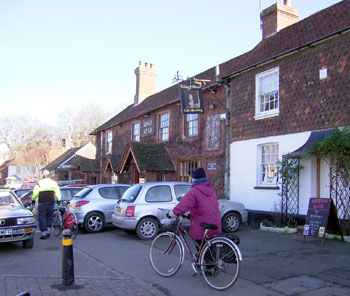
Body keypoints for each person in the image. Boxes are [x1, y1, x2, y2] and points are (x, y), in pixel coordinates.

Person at [169, 167, 222, 245]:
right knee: (209, 250)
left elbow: (183, 205)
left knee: (201, 248)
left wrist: (172, 213)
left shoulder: (194, 191)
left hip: (202, 226)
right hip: (215, 223)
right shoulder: (211, 190)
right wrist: (191, 214)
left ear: (195, 179)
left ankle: (202, 257)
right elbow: (206, 206)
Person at [31, 169, 61, 239]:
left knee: (42, 218)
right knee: (49, 217)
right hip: (51, 203)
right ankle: (48, 231)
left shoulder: (39, 183)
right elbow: (58, 192)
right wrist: (59, 199)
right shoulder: (54, 183)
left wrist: (32, 199)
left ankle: (44, 233)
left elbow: (35, 193)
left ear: (43, 175)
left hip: (42, 203)